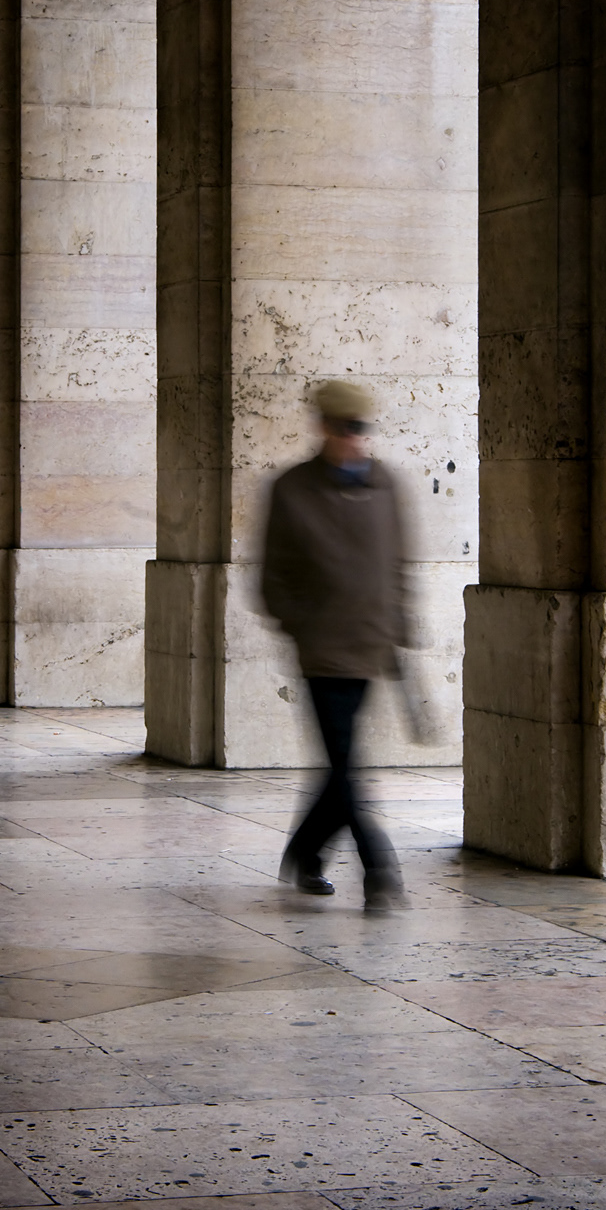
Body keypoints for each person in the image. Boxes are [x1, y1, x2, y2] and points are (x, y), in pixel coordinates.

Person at [261, 379, 411, 912]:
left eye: (362, 428)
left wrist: (399, 625)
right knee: (347, 765)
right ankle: (379, 869)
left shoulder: (385, 484)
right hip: (323, 651)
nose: (356, 438)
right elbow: (272, 580)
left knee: (339, 766)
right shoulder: (292, 489)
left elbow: (398, 563)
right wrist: (302, 624)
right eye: (347, 428)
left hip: (369, 647)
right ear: (324, 428)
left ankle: (305, 853)